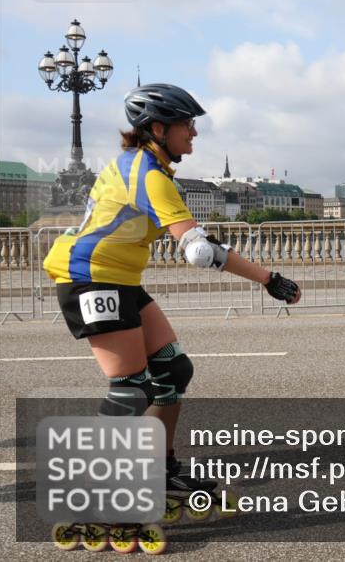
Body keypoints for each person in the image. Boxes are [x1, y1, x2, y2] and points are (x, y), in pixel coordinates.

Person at [42, 83, 301, 496]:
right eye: (188, 124)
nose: (194, 132)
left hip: (118, 278)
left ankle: (160, 471)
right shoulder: (148, 175)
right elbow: (198, 251)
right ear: (159, 129)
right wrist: (267, 279)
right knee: (132, 388)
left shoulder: (141, 165)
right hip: (90, 279)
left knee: (172, 372)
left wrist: (266, 279)